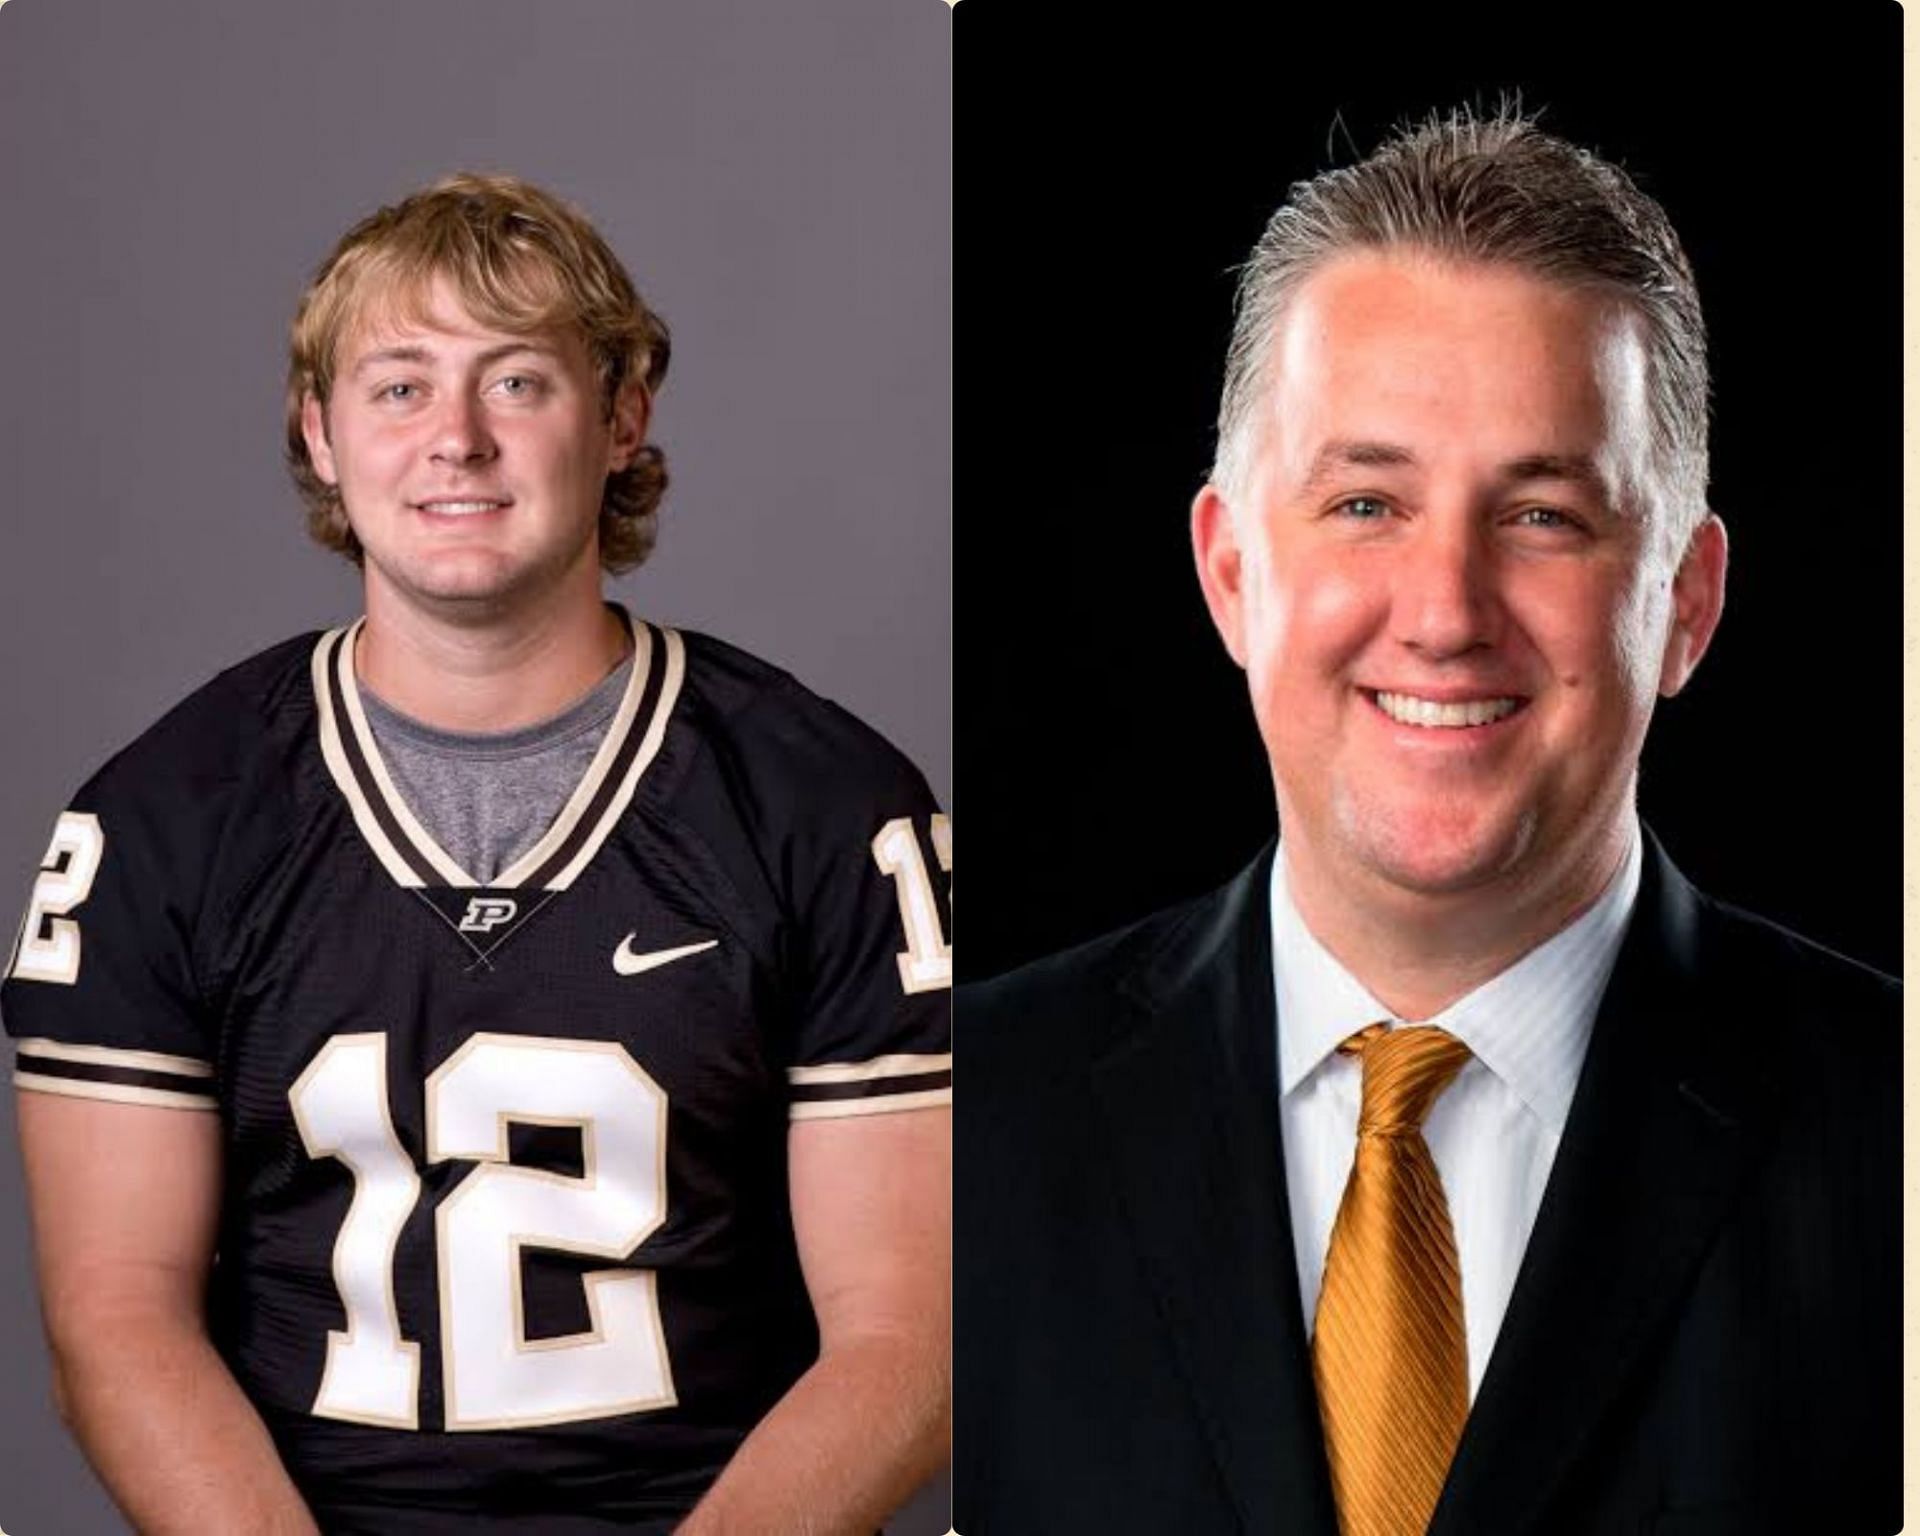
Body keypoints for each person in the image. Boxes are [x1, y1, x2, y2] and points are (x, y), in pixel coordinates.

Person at [954, 106, 1898, 1536]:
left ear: (1685, 604)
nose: (1446, 614)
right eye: (1365, 502)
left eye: (1543, 518)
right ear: (1229, 574)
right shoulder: (962, 1131)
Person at [3, 173, 951, 1535]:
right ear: (319, 433)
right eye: (398, 388)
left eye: (517, 383)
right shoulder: (167, 819)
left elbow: (908, 1339)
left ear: (622, 417)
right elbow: (114, 1317)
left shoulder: (826, 807)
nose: (456, 440)